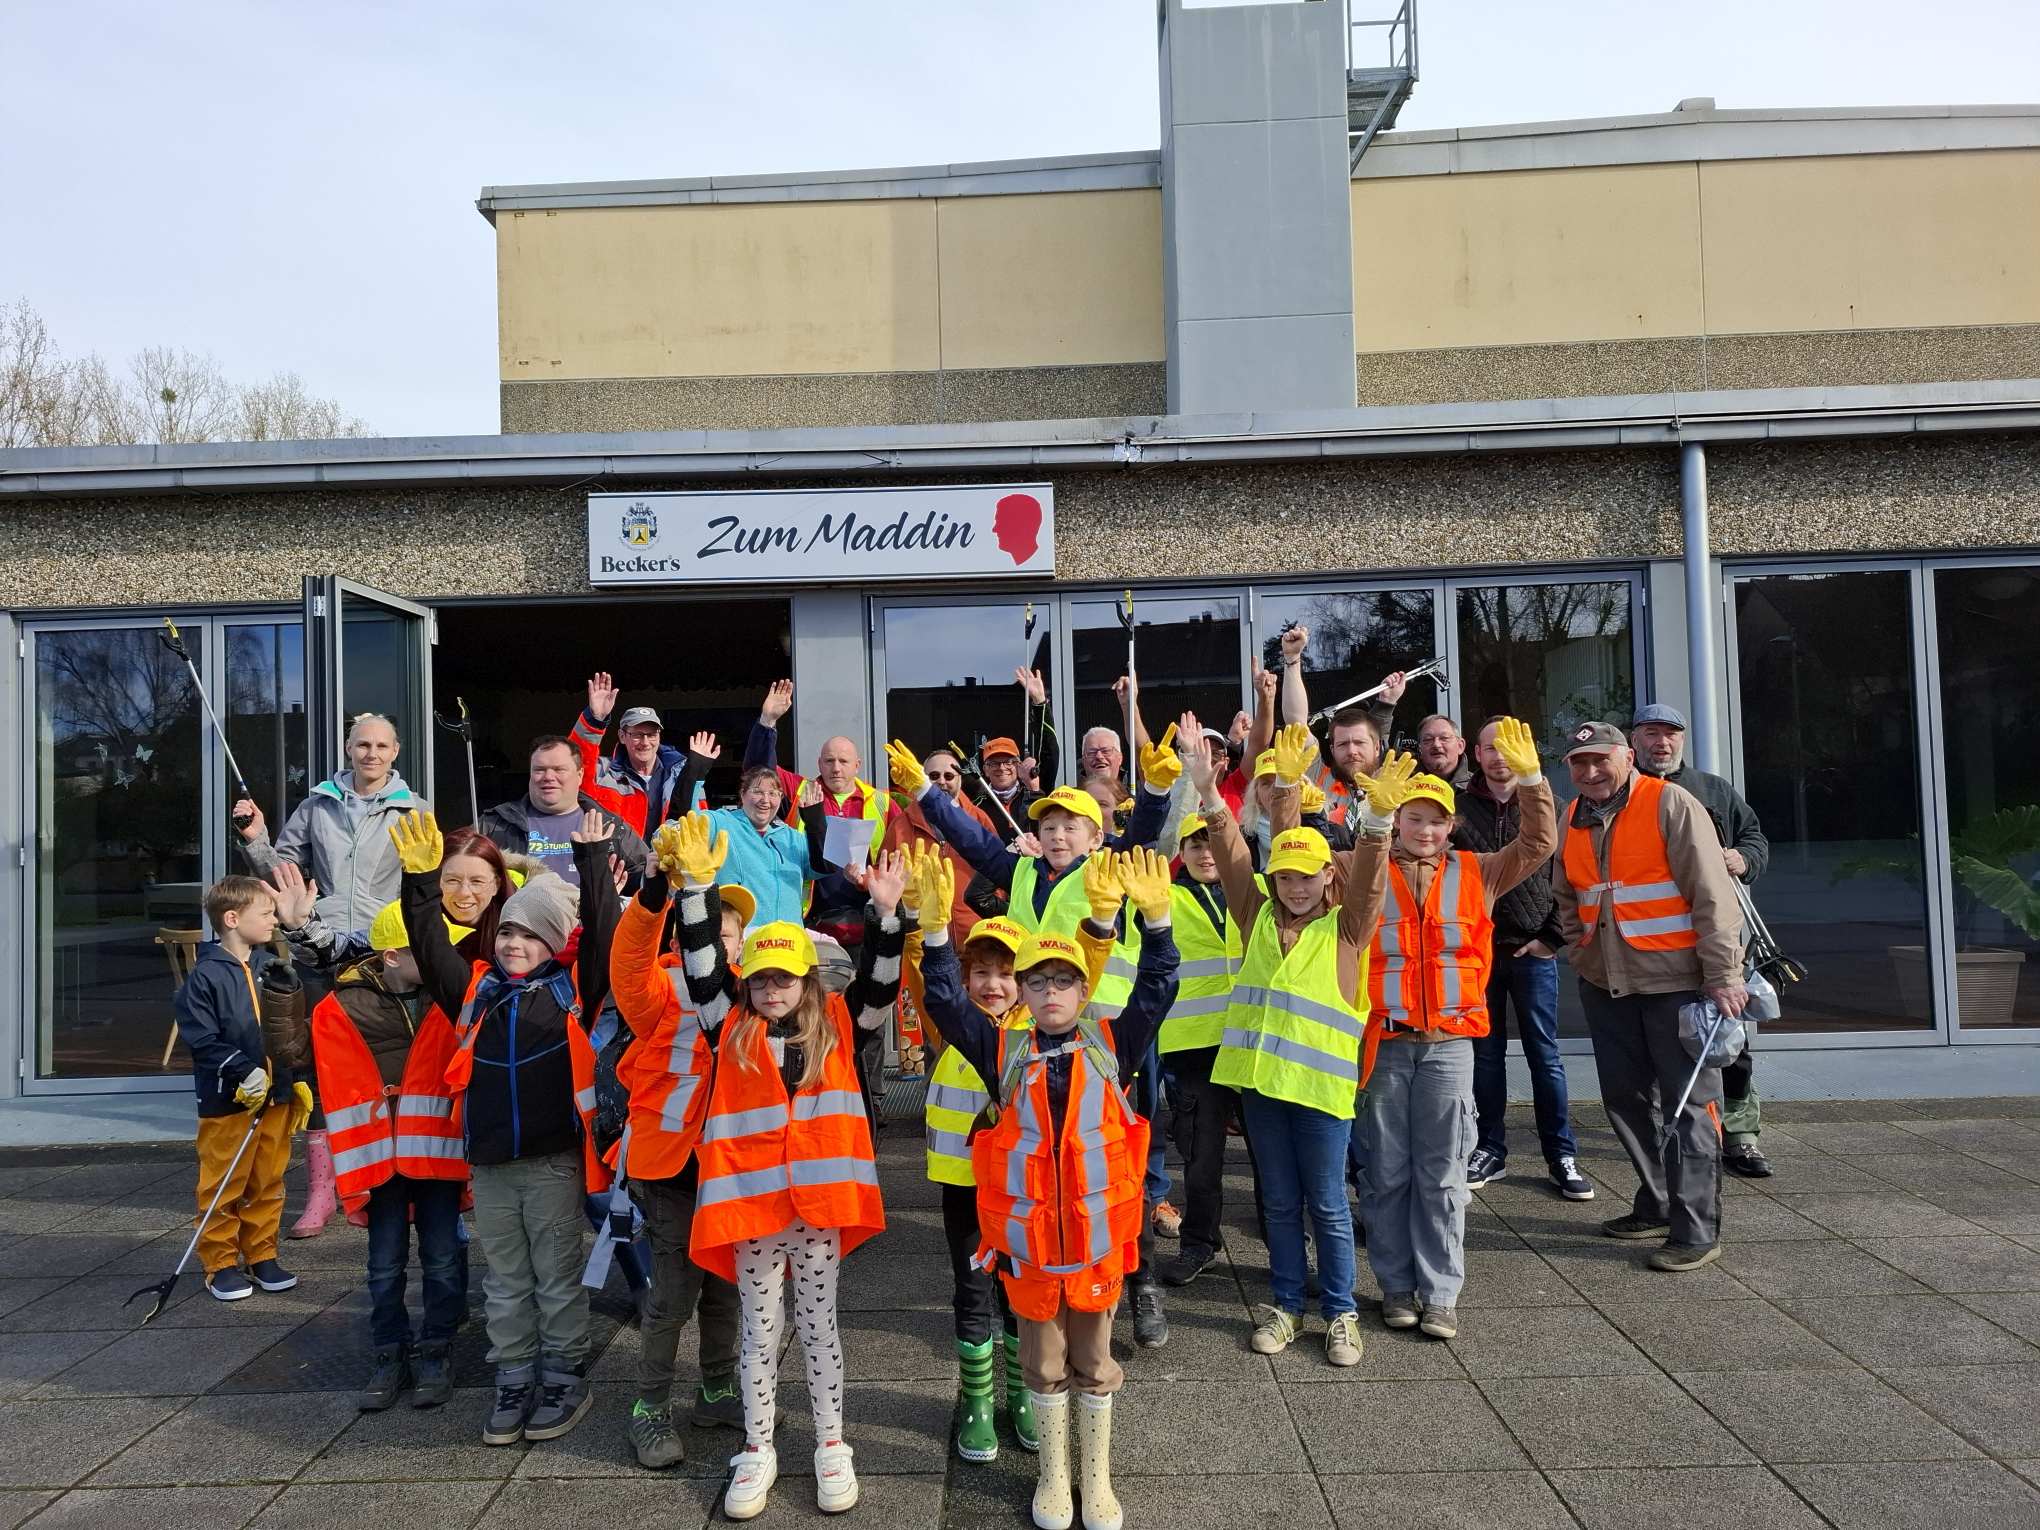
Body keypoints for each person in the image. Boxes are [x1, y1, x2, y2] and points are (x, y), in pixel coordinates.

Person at [915, 847, 1181, 1530]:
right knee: (1043, 1364)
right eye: (1038, 982)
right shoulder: (1002, 1051)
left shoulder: (1111, 1046)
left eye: (1065, 980)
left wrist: (1157, 925)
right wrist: (937, 934)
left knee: (1095, 1361)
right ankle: (1054, 1478)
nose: (1052, 992)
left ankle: (1097, 1479)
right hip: (1032, 1251)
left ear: (1083, 989)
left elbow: (1157, 990)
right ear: (1024, 993)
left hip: (1095, 1247)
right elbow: (945, 1000)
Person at [891, 735, 1179, 1349]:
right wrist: (924, 792)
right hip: (1029, 1038)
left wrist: (1155, 790)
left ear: (1095, 836)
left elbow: (1141, 838)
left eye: (1071, 825)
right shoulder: (1020, 870)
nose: (1057, 835)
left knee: (1117, 1161)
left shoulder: (1107, 866)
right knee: (1043, 1167)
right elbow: (971, 839)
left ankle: (1141, 1283)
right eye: (1049, 825)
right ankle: (1047, 1281)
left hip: (1105, 1038)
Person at [665, 814, 900, 1522]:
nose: (772, 989)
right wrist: (696, 891)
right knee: (759, 1333)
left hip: (818, 1208)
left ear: (807, 981)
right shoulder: (727, 1027)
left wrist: (886, 915)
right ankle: (758, 1446)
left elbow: (881, 987)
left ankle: (831, 1442)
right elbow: (701, 964)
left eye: (785, 978)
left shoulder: (839, 1027)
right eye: (761, 978)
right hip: (753, 1209)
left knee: (820, 1328)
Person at [392, 807, 620, 1445]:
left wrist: (593, 863)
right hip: (490, 1165)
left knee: (556, 1276)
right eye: (509, 932)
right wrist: (419, 883)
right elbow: (428, 944)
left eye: (532, 936)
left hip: (552, 1163)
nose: (515, 943)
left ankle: (564, 1375)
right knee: (506, 1281)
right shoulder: (472, 991)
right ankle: (514, 1375)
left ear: (554, 944)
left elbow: (603, 938)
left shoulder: (574, 992)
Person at [1192, 724, 1388, 1367]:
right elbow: (1232, 855)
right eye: (1284, 876)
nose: (1295, 887)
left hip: (1322, 1097)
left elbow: (1370, 884)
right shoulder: (1254, 917)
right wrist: (1209, 796)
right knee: (1278, 1202)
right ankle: (1285, 1304)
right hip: (1263, 1091)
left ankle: (1340, 1311)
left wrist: (1378, 825)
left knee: (1328, 1205)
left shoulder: (1347, 929)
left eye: (1307, 876)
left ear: (1327, 877)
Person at [1359, 719, 1555, 1342]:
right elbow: (1291, 854)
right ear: (1398, 820)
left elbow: (1539, 842)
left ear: (1451, 827)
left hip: (1449, 1045)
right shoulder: (1362, 868)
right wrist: (1368, 819)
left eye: (1436, 821)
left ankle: (1440, 1294)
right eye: (1413, 818)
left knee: (1443, 1173)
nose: (1425, 830)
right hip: (1385, 1043)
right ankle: (1395, 1287)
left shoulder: (1480, 871)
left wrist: (1532, 780)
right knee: (1386, 1172)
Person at [903, 897, 1107, 1464]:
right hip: (963, 1185)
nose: (992, 984)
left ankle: (1023, 1393)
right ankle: (976, 1401)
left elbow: (1084, 982)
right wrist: (924, 926)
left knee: (1018, 1292)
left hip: (1021, 1190)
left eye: (1005, 973)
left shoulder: (1034, 1033)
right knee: (971, 1289)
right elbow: (926, 975)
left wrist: (1099, 931)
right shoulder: (947, 1023)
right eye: (980, 971)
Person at [1551, 721, 1746, 1273]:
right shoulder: (1572, 816)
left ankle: (1696, 1229)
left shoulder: (1670, 803)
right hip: (1607, 984)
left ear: (1627, 757)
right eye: (1579, 763)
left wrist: (1723, 974)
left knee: (1688, 1108)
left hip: (1677, 984)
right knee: (1625, 1099)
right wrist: (1581, 950)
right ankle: (1658, 1201)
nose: (1590, 771)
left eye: (1600, 759)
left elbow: (1711, 893)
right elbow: (1567, 893)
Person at [236, 710, 426, 1239]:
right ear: (348, 749)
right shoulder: (317, 804)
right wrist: (256, 838)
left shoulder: (415, 809)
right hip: (318, 947)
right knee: (319, 1069)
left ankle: (394, 1178)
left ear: (396, 752)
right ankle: (323, 1193)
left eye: (381, 746)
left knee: (390, 1064)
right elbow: (282, 873)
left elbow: (427, 878)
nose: (371, 753)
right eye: (362, 744)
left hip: (383, 950)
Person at [606, 830, 752, 1469]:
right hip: (669, 1168)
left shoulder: (754, 994)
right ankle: (649, 1408)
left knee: (726, 1288)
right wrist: (654, 894)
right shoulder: (662, 989)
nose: (718, 940)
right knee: (671, 1295)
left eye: (729, 933)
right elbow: (626, 963)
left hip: (733, 1171)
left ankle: (717, 1390)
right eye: (710, 928)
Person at [302, 898, 467, 1410]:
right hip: (378, 1160)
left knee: (443, 1259)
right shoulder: (344, 1005)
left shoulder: (449, 994)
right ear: (393, 956)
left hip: (435, 1155)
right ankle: (389, 1352)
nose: (442, 957)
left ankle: (437, 1349)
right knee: (384, 1265)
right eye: (429, 949)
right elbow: (306, 1059)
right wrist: (284, 1000)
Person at [1631, 703, 1775, 1178]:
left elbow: (1754, 837)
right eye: (1651, 733)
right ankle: (1674, 1131)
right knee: (1661, 1044)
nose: (1662, 743)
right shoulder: (1622, 793)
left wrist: (1742, 858)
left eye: (1670, 734)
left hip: (1717, 938)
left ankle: (1740, 1135)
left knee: (1729, 1040)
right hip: (1652, 948)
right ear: (1634, 741)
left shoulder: (1713, 789)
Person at [1454, 718, 1591, 1201]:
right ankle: (1490, 1149)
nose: (1498, 756)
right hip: (1479, 952)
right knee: (1485, 1057)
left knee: (1544, 1055)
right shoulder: (1456, 807)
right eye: (1489, 748)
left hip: (1533, 950)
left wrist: (1552, 937)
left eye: (1508, 747)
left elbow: (1572, 875)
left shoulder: (1549, 805)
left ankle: (1561, 1154)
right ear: (1476, 753)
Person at [172, 875, 307, 1302]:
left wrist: (296, 1078)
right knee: (223, 1183)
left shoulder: (271, 967)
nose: (273, 921)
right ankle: (221, 1263)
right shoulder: (205, 976)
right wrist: (242, 1070)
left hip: (275, 1096)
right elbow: (202, 1038)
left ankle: (262, 1254)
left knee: (268, 1180)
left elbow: (289, 1029)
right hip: (228, 1100)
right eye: (265, 913)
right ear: (232, 919)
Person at [1153, 795, 1243, 1289]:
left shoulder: (1254, 891)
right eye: (1195, 845)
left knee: (1271, 1160)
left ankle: (1289, 1250)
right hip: (1194, 1049)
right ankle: (1199, 1245)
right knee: (1202, 1157)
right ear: (1182, 852)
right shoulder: (1165, 898)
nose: (1206, 853)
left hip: (1251, 1045)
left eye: (1213, 844)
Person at [743, 678, 893, 952]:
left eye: (844, 761)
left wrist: (867, 881)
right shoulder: (800, 790)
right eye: (829, 761)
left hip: (868, 920)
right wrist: (767, 722)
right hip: (811, 922)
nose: (836, 768)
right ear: (819, 763)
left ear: (857, 765)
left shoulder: (883, 802)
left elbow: (898, 861)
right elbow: (758, 773)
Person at [1271, 626, 1403, 833]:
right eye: (1342, 744)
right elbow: (1297, 724)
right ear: (1332, 749)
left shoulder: (1393, 785)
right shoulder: (1318, 777)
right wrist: (1292, 659)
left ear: (1377, 747)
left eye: (1359, 743)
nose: (1351, 751)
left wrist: (1386, 705)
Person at [479, 734, 650, 887]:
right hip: (520, 913)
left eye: (559, 769)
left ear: (580, 775)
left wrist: (611, 894)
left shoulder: (611, 827)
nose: (548, 777)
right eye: (539, 770)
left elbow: (646, 876)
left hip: (588, 914)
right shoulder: (494, 824)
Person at [570, 671, 714, 836]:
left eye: (651, 735)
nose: (645, 742)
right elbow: (572, 767)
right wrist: (594, 720)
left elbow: (701, 826)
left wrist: (695, 772)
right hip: (618, 854)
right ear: (622, 736)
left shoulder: (681, 774)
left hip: (669, 853)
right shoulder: (603, 772)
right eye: (637, 735)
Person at [1415, 714, 1475, 791]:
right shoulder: (1406, 787)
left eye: (1444, 738)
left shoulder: (1478, 789)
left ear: (1460, 746)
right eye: (1428, 739)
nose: (1436, 745)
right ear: (1419, 748)